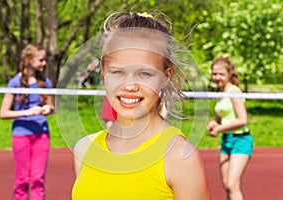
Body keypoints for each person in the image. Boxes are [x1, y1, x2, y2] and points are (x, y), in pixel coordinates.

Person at [72, 11, 210, 200]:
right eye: (118, 72)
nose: (130, 86)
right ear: (104, 73)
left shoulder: (178, 156)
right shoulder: (84, 149)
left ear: (165, 77)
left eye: (144, 74)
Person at [0, 44, 55, 200]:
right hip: (21, 135)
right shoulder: (15, 83)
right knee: (22, 180)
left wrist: (48, 109)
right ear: (29, 60)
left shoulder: (45, 82)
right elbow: (3, 113)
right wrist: (27, 112)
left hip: (41, 135)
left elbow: (51, 106)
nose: (44, 63)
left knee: (38, 179)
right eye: (41, 60)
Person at [207, 55, 253, 200]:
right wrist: (214, 123)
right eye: (214, 73)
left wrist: (220, 128)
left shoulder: (234, 91)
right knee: (226, 184)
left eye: (221, 74)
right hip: (226, 140)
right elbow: (220, 118)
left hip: (241, 140)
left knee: (233, 185)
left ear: (229, 74)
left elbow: (242, 119)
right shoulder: (221, 93)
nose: (217, 77)